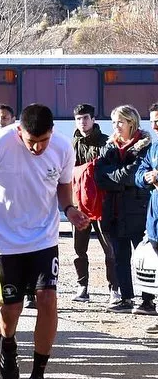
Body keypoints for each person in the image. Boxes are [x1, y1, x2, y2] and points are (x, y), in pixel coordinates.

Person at [0, 104, 89, 379]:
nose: (37, 148)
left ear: (52, 133)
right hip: (3, 240)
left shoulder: (61, 147)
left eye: (43, 141)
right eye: (31, 141)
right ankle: (7, 343)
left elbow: (63, 185)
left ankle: (38, 375)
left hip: (43, 238)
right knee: (12, 307)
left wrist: (69, 209)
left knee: (47, 299)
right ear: (19, 131)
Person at [96, 106, 152, 313]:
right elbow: (100, 177)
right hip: (114, 211)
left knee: (143, 259)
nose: (116, 127)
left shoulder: (145, 147)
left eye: (120, 122)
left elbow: (135, 174)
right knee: (119, 257)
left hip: (138, 210)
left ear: (131, 122)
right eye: (113, 122)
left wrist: (115, 176)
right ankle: (126, 298)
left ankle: (147, 300)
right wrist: (120, 178)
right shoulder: (108, 147)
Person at [71, 103, 116, 303]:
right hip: (79, 206)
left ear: (93, 119)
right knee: (79, 250)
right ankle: (82, 286)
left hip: (102, 205)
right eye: (79, 118)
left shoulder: (106, 142)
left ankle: (113, 289)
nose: (82, 122)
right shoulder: (71, 144)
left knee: (110, 249)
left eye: (86, 118)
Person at [135, 103, 158, 332]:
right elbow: (139, 172)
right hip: (155, 221)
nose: (154, 126)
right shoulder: (153, 148)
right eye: (151, 121)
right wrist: (147, 177)